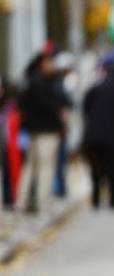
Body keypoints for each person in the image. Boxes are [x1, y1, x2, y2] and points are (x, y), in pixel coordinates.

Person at [16, 51, 71, 216]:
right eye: (50, 63)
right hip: (46, 130)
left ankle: (22, 201)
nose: (53, 66)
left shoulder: (30, 81)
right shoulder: (45, 83)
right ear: (42, 64)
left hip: (32, 129)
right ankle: (41, 202)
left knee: (31, 166)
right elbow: (53, 105)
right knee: (44, 167)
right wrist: (59, 116)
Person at [81, 59, 114, 209]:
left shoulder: (94, 89)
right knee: (113, 167)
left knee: (95, 168)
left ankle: (96, 197)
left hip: (92, 136)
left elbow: (85, 110)